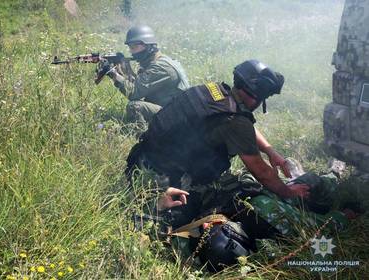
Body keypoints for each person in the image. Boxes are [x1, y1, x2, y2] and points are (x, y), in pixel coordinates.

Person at [126, 59, 309, 199]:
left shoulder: (214, 92)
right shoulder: (234, 121)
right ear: (255, 96)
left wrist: (271, 152)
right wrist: (289, 192)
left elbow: (244, 126)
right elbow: (262, 173)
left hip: (140, 160)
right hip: (164, 183)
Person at [149, 164, 356, 272]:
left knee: (313, 182)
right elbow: (326, 227)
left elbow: (160, 233)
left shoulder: (194, 239)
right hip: (268, 204)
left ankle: (334, 177)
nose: (205, 227)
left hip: (258, 190)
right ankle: (336, 177)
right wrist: (346, 214)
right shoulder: (273, 219)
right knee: (314, 190)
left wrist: (158, 206)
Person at [105, 25, 190, 125]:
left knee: (134, 107)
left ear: (148, 46)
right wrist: (124, 68)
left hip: (177, 117)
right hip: (170, 110)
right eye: (130, 47)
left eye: (134, 47)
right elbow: (138, 85)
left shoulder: (161, 67)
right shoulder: (155, 61)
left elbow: (134, 92)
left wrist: (114, 75)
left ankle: (143, 136)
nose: (131, 51)